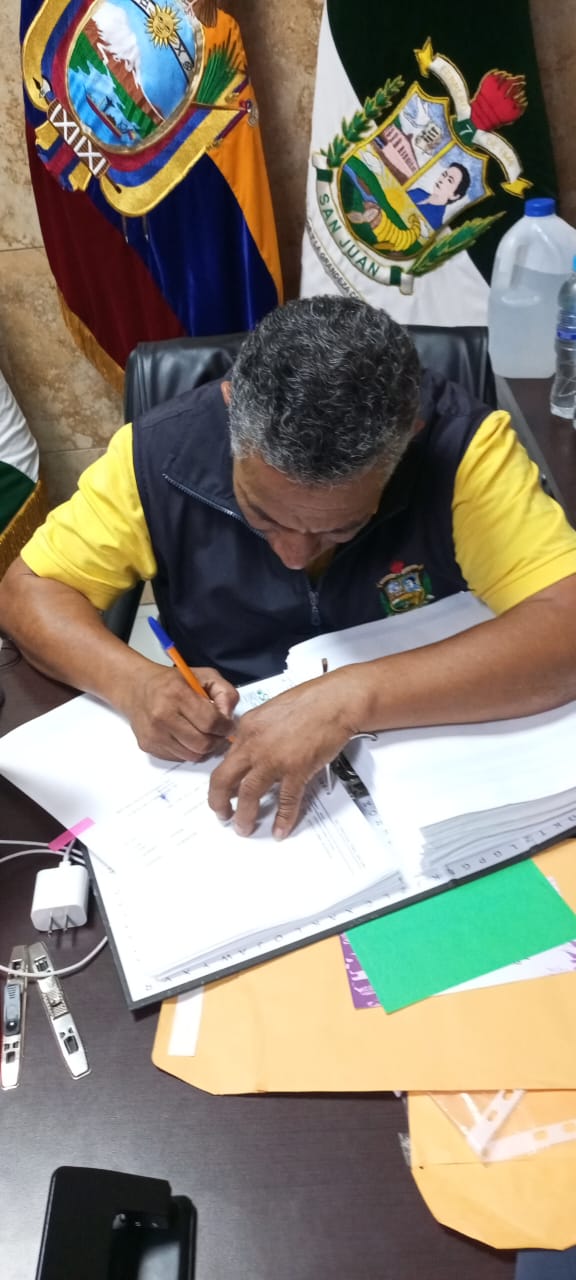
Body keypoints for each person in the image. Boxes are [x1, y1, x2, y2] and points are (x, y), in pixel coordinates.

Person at [0, 296, 576, 842]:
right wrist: (134, 683)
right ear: (231, 410)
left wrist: (347, 699)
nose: (295, 554)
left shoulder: (464, 449)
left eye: (340, 528)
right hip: (228, 739)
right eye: (263, 515)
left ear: (409, 439)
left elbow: (565, 621)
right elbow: (29, 591)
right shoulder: (156, 455)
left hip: (427, 738)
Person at [409, 161, 471, 229]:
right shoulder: (418, 192)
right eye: (444, 175)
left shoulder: (435, 221)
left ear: (455, 196)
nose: (442, 180)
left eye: (449, 180)